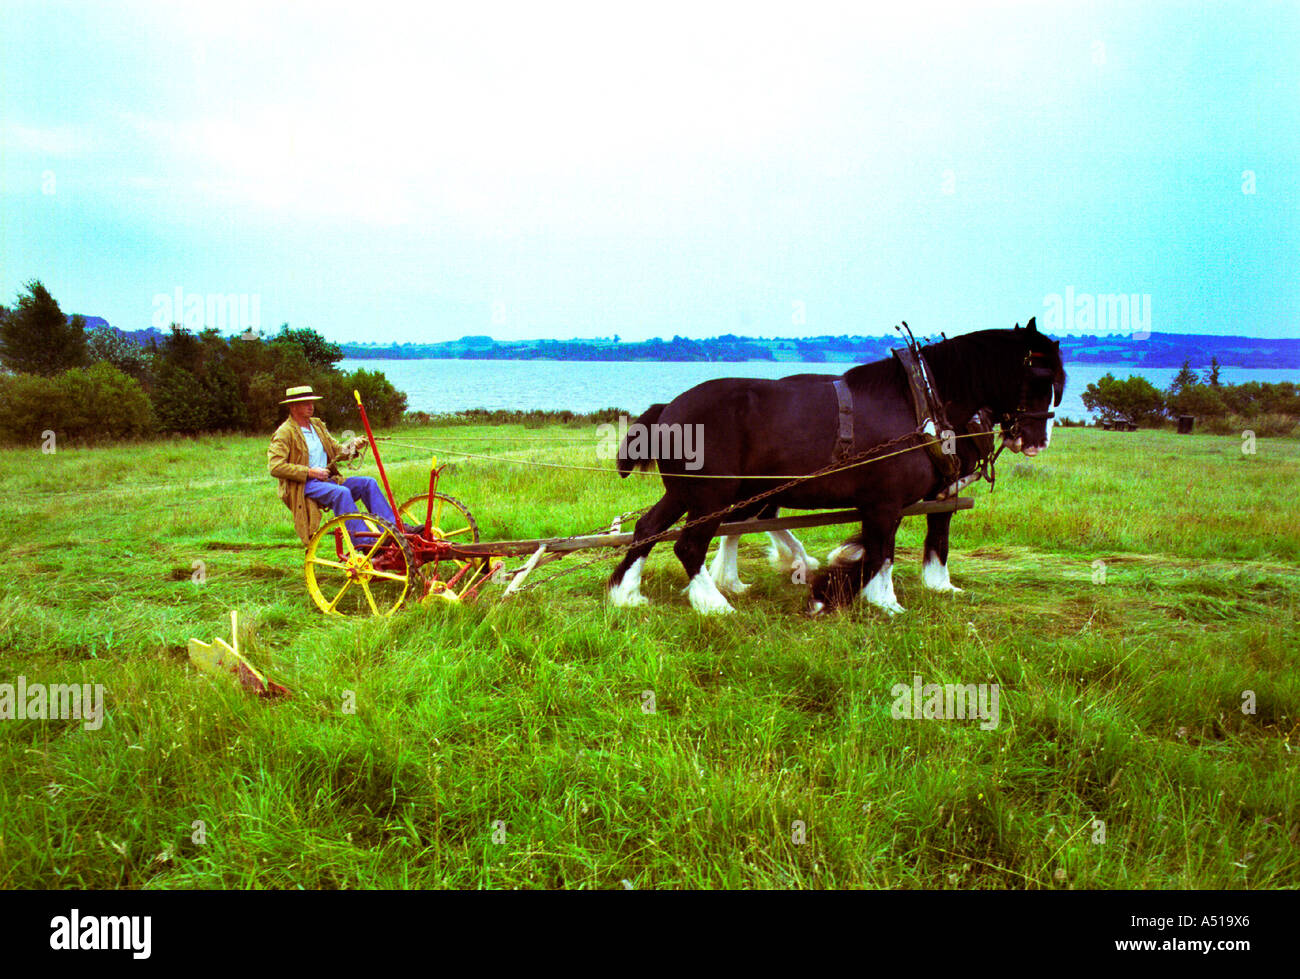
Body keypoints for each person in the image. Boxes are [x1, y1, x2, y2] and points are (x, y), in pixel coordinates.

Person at [267, 385, 413, 547]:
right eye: (305, 403)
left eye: (311, 402)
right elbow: (275, 467)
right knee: (341, 493)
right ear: (293, 407)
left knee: (368, 483)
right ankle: (364, 542)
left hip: (327, 481)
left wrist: (352, 446)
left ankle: (394, 529)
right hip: (304, 485)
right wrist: (310, 472)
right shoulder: (285, 432)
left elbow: (336, 450)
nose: (311, 406)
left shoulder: (317, 425)